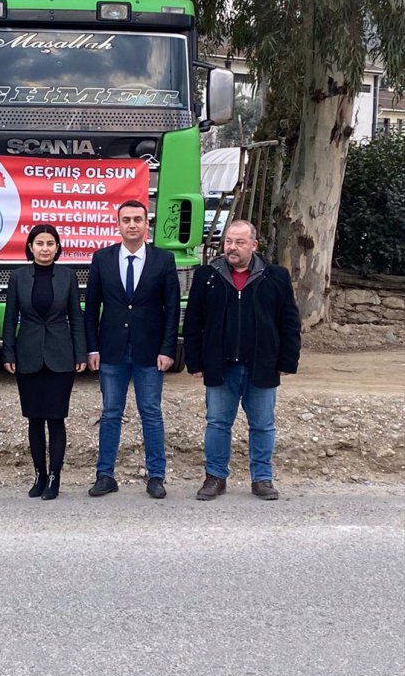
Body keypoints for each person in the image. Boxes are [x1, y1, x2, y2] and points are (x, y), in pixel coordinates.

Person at [182, 219, 301, 501]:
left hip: (262, 365)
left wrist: (288, 359)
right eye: (228, 242)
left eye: (239, 242)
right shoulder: (206, 276)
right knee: (217, 423)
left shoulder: (276, 276)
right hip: (220, 366)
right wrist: (195, 361)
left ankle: (262, 479)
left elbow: (289, 321)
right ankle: (215, 477)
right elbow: (193, 323)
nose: (232, 248)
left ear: (254, 245)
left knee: (262, 425)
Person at [84, 199, 180, 500]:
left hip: (150, 353)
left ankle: (156, 476)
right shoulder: (102, 258)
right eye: (126, 219)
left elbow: (172, 308)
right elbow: (92, 308)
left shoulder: (163, 260)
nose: (132, 225)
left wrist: (168, 348)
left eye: (138, 219)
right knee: (111, 412)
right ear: (118, 224)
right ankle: (105, 475)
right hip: (111, 351)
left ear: (146, 223)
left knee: (150, 413)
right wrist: (92, 348)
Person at [2, 224, 87, 500]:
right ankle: (38, 474)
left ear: (57, 247)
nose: (45, 248)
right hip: (27, 355)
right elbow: (10, 317)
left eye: (50, 243)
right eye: (40, 243)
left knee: (56, 419)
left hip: (61, 357)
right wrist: (9, 352)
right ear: (30, 247)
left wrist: (81, 354)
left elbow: (76, 316)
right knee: (34, 420)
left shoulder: (67, 277)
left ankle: (54, 477)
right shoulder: (18, 277)